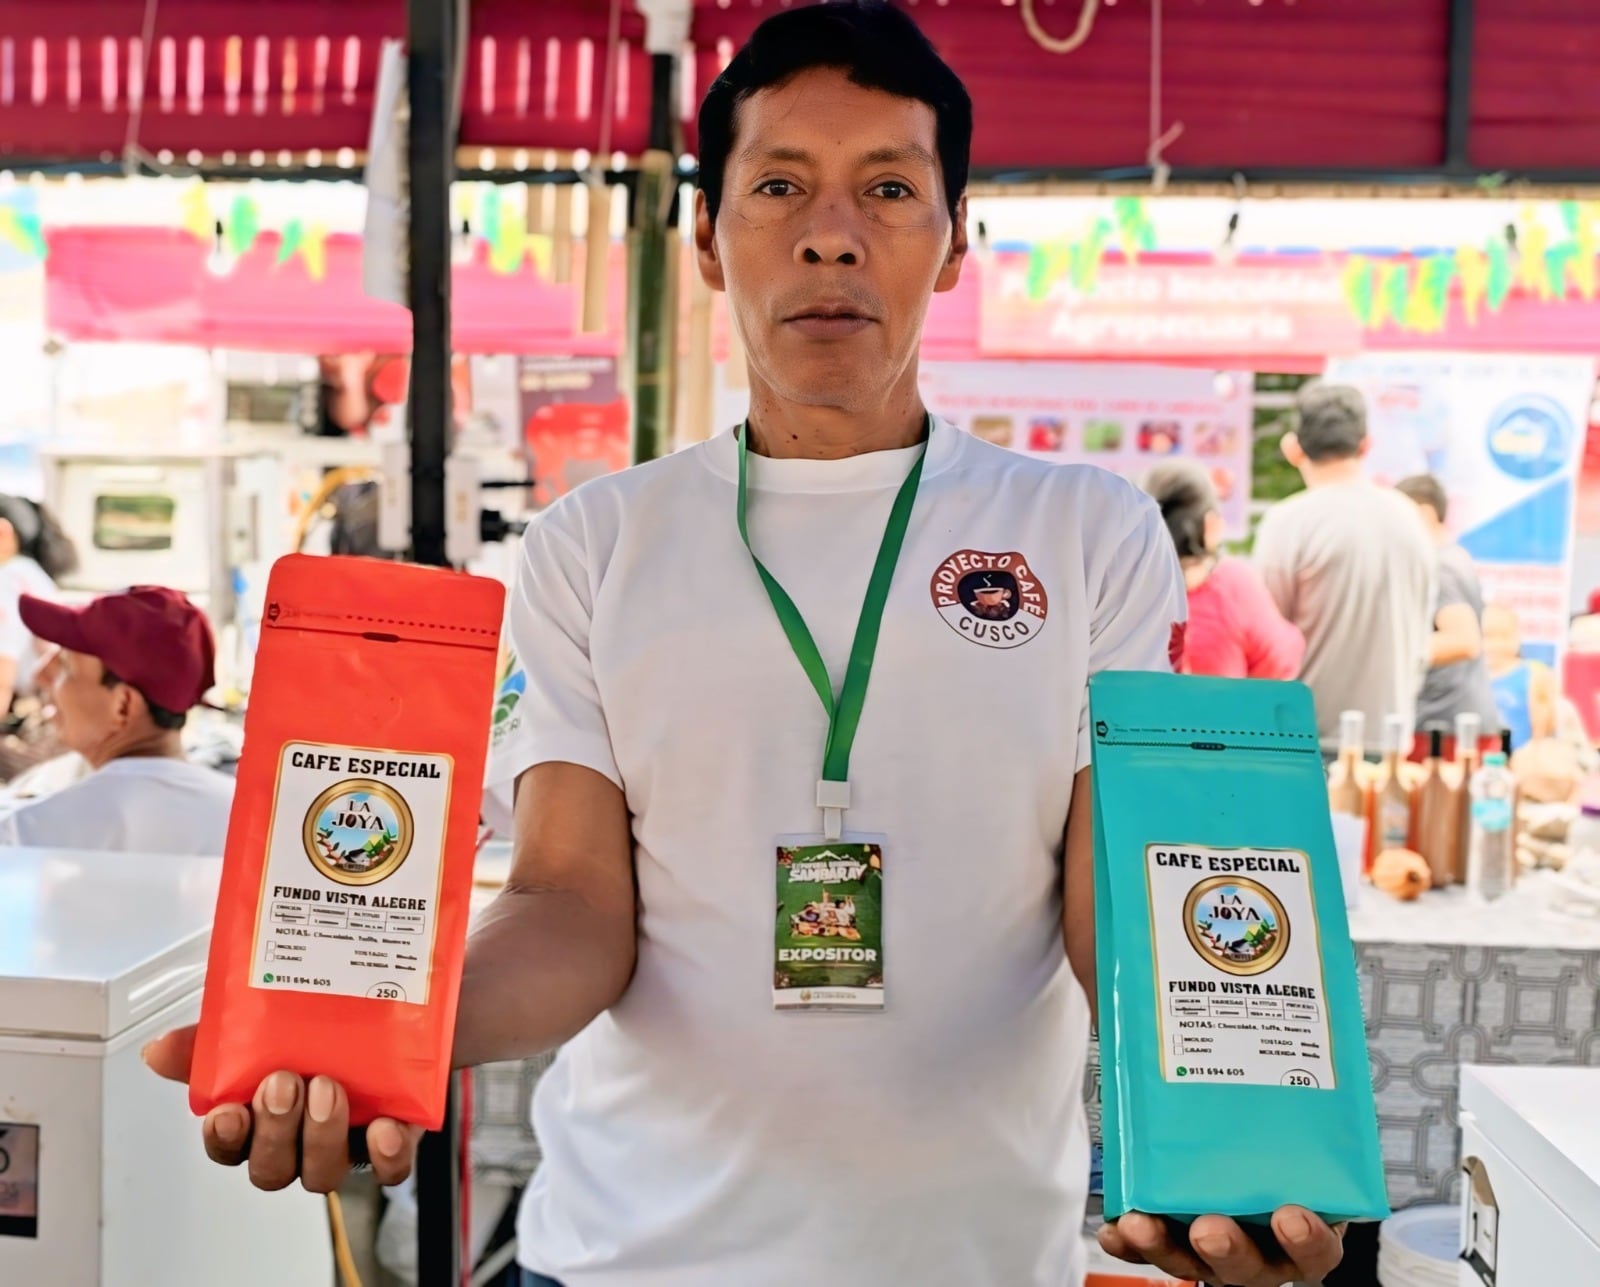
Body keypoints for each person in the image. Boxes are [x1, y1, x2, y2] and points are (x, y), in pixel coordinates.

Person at [143, 7, 1345, 1286]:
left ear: (954, 242)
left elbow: (1116, 905)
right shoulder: (595, 543)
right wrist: (372, 1033)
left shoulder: (1084, 532)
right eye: (778, 186)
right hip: (625, 1256)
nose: (831, 233)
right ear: (709, 237)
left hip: (975, 1257)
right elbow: (569, 904)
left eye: (889, 187)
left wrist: (1242, 1148)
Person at [1254, 382, 1435, 752]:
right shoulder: (1409, 517)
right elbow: (1422, 630)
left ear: (1293, 449)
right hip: (1391, 738)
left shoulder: (1288, 522)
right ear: (1366, 445)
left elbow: (1268, 642)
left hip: (1305, 739)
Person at [0, 585, 234, 854]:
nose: (40, 676)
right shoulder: (250, 821)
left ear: (123, 706)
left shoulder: (26, 834)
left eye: (65, 666)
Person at [1142, 460, 1303, 679]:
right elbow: (1279, 662)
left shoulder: (1114, 589)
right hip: (1227, 701)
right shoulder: (1234, 585)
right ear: (1210, 526)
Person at [1393, 474, 1500, 756]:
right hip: (1458, 722)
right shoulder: (1455, 558)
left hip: (1443, 728)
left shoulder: (1438, 566)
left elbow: (1464, 641)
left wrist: (1392, 652)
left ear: (1424, 514)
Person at [0, 493, 78, 719]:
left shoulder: (7, 579)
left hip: (26, 710)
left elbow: (3, 671)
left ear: (3, 532)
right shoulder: (30, 573)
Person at [1483, 602, 1558, 749]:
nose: (1496, 644)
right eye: (1488, 636)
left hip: (1521, 758)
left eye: (1503, 636)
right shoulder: (1470, 676)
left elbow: (1542, 732)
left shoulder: (1534, 674)